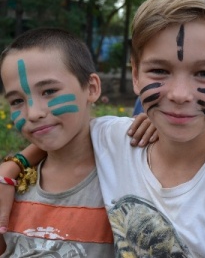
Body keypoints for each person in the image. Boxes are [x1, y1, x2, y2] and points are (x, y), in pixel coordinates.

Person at [0, 0, 205, 257]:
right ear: (136, 74)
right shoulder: (116, 139)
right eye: (160, 71)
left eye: (204, 73)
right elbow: (59, 133)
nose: (180, 95)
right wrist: (12, 169)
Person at [0, 28, 155, 256]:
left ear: (91, 88)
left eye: (49, 91)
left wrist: (161, 128)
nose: (33, 113)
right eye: (16, 101)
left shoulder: (129, 168)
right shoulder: (13, 188)